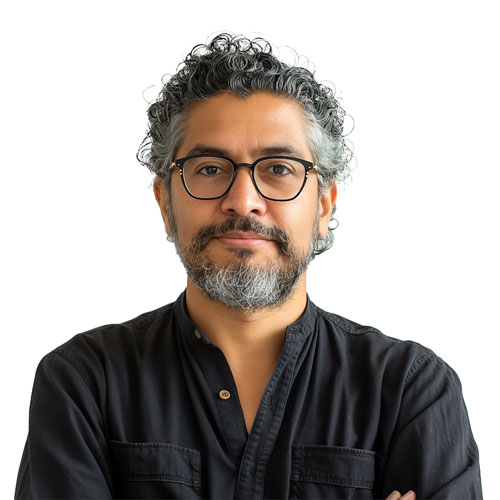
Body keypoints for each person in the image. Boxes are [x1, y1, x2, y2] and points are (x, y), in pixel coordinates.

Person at [15, 33, 482, 500]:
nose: (243, 201)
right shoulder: (85, 383)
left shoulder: (410, 390)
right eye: (209, 168)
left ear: (323, 205)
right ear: (165, 203)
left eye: (278, 168)